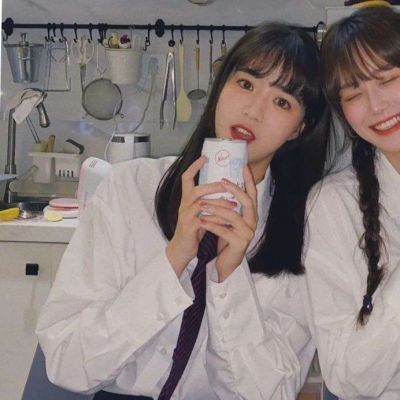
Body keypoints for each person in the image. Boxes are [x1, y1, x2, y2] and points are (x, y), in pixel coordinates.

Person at [36, 21, 332, 400]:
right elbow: (67, 362)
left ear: (299, 128)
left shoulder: (307, 228)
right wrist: (174, 257)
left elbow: (269, 394)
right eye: (246, 84)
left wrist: (230, 275)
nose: (254, 110)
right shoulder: (130, 188)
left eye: (282, 102)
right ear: (220, 87)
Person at [302, 5, 400, 400]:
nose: (375, 106)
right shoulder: (333, 205)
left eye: (388, 79)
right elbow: (346, 377)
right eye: (353, 94)